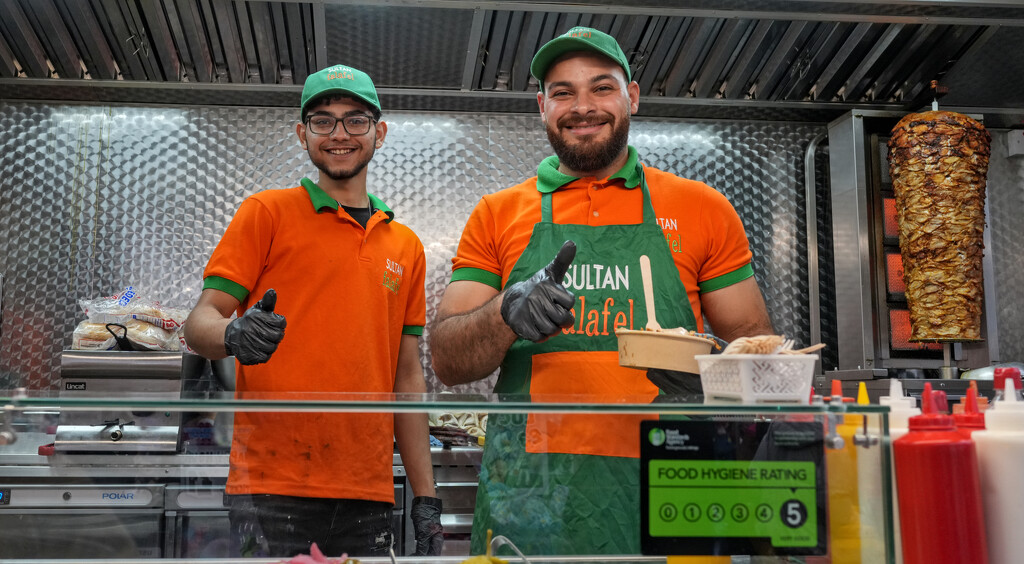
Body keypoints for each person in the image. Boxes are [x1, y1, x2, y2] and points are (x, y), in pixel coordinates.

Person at [428, 27, 774, 555]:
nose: (582, 107)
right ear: (542, 105)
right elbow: (449, 361)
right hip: (533, 496)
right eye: (563, 92)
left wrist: (711, 384)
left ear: (631, 96)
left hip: (674, 485)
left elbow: (763, 363)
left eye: (602, 87)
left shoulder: (703, 206)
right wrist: (506, 312)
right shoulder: (498, 213)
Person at [183, 64, 443, 558]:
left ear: (379, 133)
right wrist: (235, 335)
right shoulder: (266, 212)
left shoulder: (405, 245)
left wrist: (425, 496)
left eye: (355, 120)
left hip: (368, 491)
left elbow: (407, 376)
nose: (339, 134)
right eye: (323, 121)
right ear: (304, 134)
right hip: (271, 484)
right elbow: (200, 324)